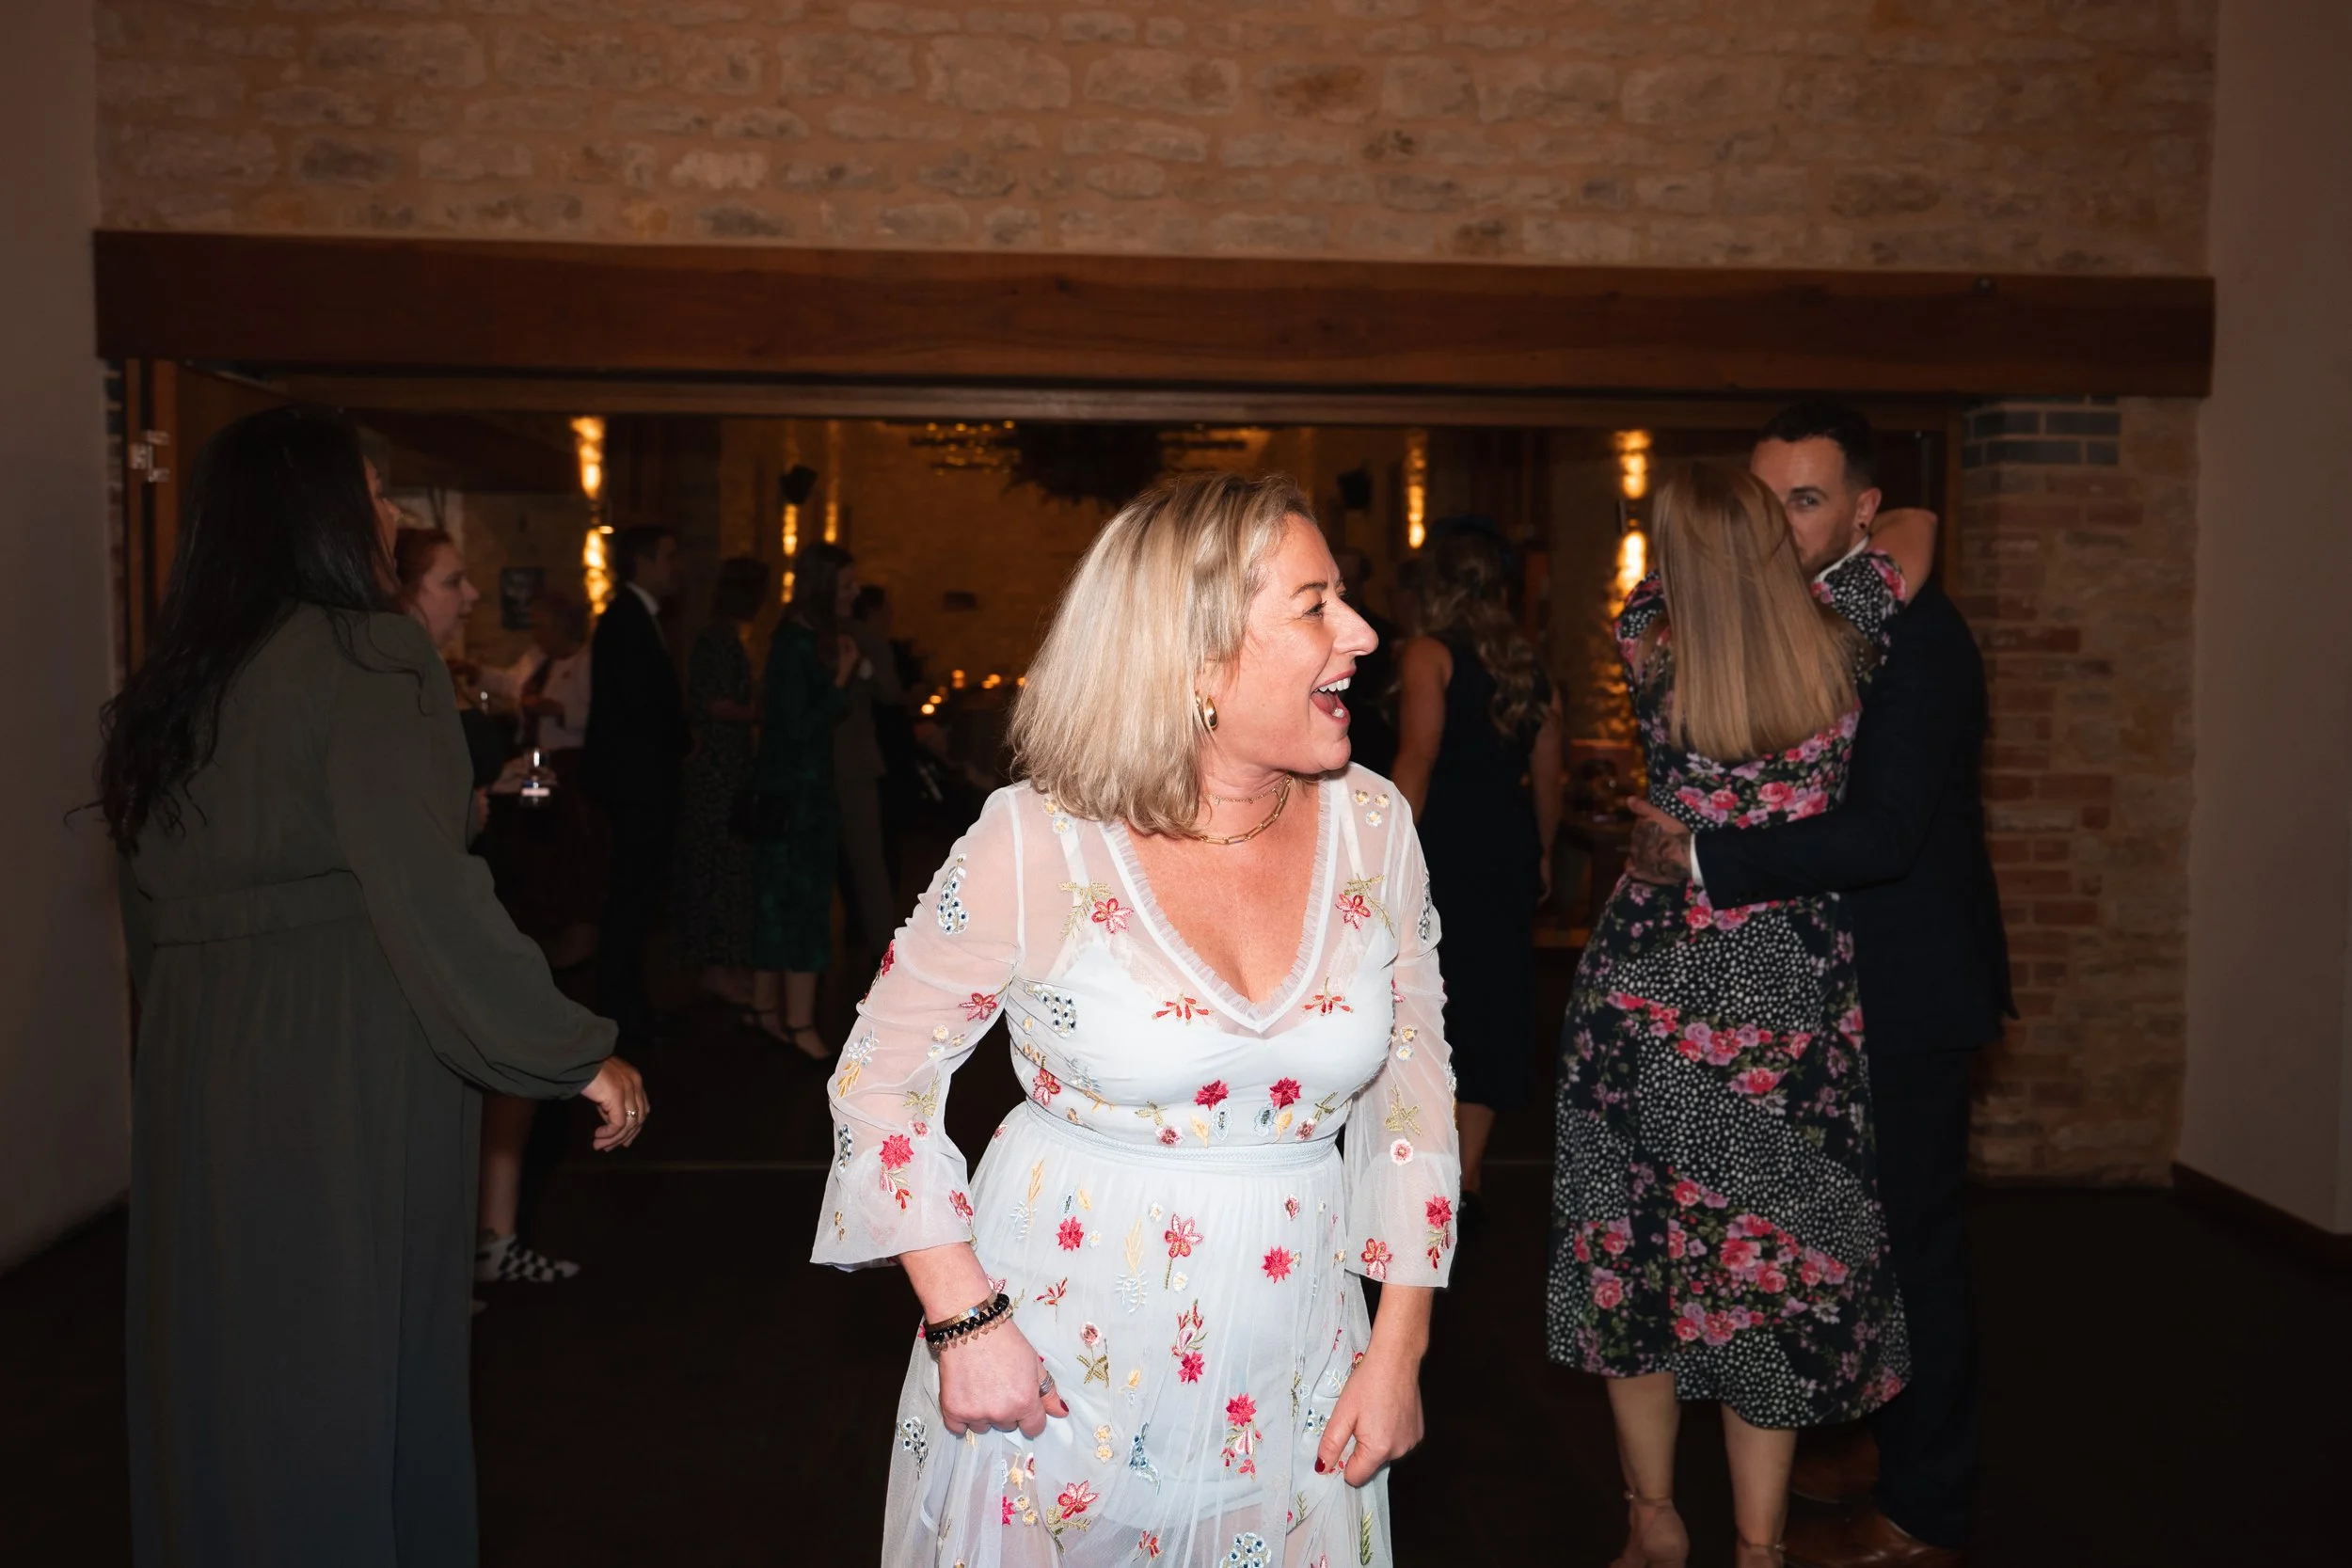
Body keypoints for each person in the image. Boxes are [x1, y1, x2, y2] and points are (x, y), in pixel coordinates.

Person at [816, 471, 1456, 1567]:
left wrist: (1397, 1350)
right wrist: (965, 1320)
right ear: (1197, 656)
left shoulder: (1373, 823)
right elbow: (878, 1080)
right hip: (1057, 1364)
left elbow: (1414, 1093)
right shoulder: (1036, 840)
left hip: (1298, 1358)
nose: (1359, 631)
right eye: (1314, 605)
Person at [100, 405, 647, 1568]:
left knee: (226, 1379)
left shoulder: (173, 683)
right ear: (316, 513)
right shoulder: (366, 654)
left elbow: (147, 921)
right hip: (343, 1053)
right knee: (344, 1367)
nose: (391, 516)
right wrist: (569, 1046)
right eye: (373, 492)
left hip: (199, 1066)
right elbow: (429, 893)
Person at [1622, 404, 2010, 1568]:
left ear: (1860, 515)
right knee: (1832, 1240)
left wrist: (1699, 856)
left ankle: (1926, 1509)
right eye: (1764, 498)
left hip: (1901, 989)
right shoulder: (1782, 624)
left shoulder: (1906, 638)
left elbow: (1883, 832)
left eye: (1806, 500)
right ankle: (1864, 1440)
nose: (1780, 525)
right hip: (1810, 995)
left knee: (1908, 1245)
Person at [1548, 462, 1935, 1568]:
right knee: (1760, 1263)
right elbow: (1918, 521)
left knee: (1638, 1252)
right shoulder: (1846, 633)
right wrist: (1822, 541)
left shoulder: (1645, 637)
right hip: (1784, 987)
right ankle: (1758, 1545)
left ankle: (1651, 1515)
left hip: (1647, 980)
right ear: (1775, 539)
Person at [1390, 529, 1562, 1223]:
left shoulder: (1430, 653)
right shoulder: (1529, 664)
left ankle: (1424, 1171)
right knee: (1494, 1005)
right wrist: (1543, 852)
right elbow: (1548, 773)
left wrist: (1385, 849)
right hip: (1506, 843)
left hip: (1448, 846)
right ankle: (1469, 1174)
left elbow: (1418, 757)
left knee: (1434, 1001)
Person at [747, 542, 860, 1056]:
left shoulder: (802, 637)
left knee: (781, 901)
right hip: (795, 797)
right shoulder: (795, 642)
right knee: (799, 905)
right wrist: (840, 679)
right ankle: (795, 1021)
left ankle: (766, 1009)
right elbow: (796, 726)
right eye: (844, 586)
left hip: (799, 791)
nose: (854, 594)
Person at [583, 524, 690, 1047]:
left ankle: (628, 1000)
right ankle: (619, 1006)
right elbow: (633, 711)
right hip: (635, 787)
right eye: (670, 556)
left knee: (639, 898)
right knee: (630, 898)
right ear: (643, 561)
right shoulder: (624, 620)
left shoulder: (639, 619)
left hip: (644, 784)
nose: (678, 566)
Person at [480, 593, 607, 973]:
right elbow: (510, 685)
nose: (536, 632)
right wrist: (476, 672)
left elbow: (602, 714)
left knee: (572, 844)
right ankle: (542, 922)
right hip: (535, 762)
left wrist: (560, 711)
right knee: (536, 839)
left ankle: (579, 934)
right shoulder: (537, 660)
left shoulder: (588, 664)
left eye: (541, 625)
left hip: (568, 765)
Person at [672, 556, 769, 1007]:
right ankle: (716, 968)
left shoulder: (723, 638)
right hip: (716, 771)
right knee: (718, 866)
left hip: (725, 767)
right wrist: (761, 712)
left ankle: (726, 965)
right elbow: (712, 703)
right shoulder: (718, 640)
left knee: (728, 866)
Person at [834, 571, 908, 967]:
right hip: (813, 764)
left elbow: (890, 691)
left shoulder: (867, 640)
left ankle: (883, 951)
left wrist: (862, 670)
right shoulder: (803, 634)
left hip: (856, 762)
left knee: (868, 863)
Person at [1332, 546, 1401, 777]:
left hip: (1371, 755)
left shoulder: (1385, 634)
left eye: (1350, 580)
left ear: (1363, 584)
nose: (1345, 588)